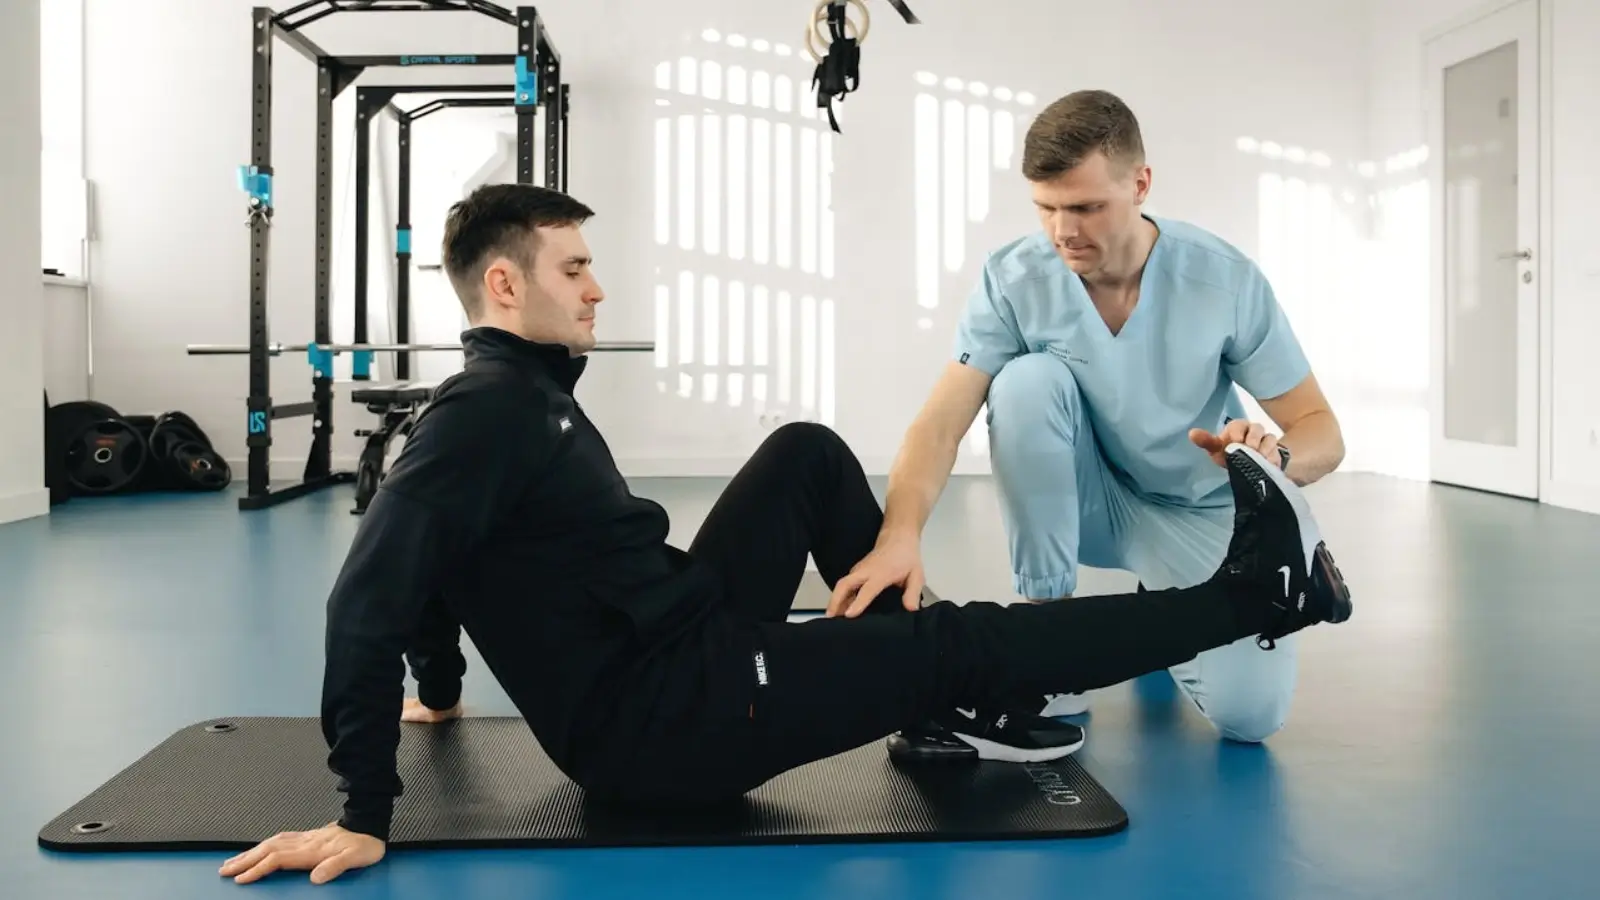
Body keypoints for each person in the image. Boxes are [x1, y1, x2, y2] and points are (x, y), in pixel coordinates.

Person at [217, 183, 1352, 886]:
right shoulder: (485, 418)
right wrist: (364, 812)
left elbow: (438, 567)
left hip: (676, 637)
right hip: (671, 724)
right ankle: (1267, 597)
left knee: (807, 452)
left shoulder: (519, 394)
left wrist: (443, 685)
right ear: (506, 285)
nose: (599, 289)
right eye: (576, 269)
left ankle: (945, 710)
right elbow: (369, 592)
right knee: (951, 644)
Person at [830, 89, 1347, 747]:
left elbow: (1322, 432)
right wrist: (898, 536)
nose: (1063, 232)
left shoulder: (1223, 280)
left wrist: (1272, 461)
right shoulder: (1014, 277)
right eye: (1045, 208)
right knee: (1024, 383)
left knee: (1251, 718)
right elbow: (939, 424)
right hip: (1088, 501)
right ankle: (1046, 628)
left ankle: (1155, 597)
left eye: (1085, 208)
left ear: (1141, 184)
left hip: (1194, 508)